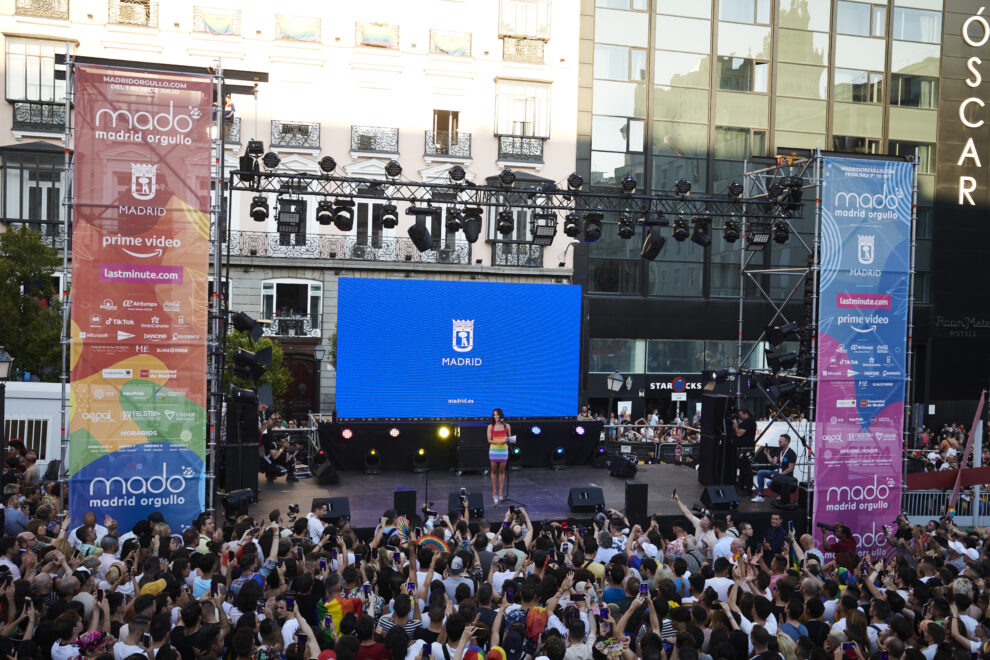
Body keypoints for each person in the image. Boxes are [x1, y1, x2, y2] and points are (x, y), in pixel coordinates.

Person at [752, 434, 797, 503]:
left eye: (780, 442)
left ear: (786, 442)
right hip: (779, 473)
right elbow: (773, 463)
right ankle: (760, 495)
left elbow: (790, 469)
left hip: (786, 476)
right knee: (760, 472)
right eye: (779, 441)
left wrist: (778, 476)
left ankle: (782, 494)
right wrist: (767, 454)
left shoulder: (791, 453)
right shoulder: (780, 451)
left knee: (769, 484)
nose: (779, 443)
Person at [487, 408, 512, 504]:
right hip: (494, 450)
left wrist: (509, 439)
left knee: (501, 470)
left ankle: (500, 491)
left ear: (501, 415)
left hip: (503, 450)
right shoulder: (490, 426)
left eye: (497, 414)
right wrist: (498, 442)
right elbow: (489, 440)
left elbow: (510, 439)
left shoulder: (507, 426)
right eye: (494, 415)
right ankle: (494, 492)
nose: (495, 416)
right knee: (493, 469)